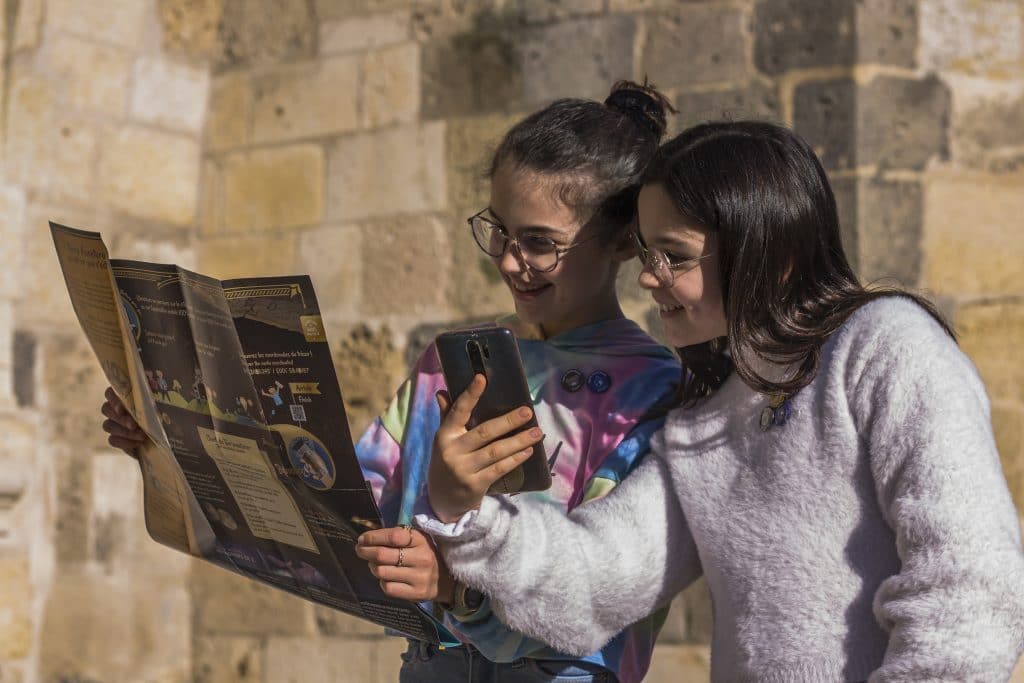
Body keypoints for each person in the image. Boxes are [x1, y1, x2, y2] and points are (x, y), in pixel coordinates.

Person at [386, 121, 1024, 681]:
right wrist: (469, 517)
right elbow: (597, 580)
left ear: (767, 254)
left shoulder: (886, 346)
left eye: (675, 256)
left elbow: (970, 591)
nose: (646, 276)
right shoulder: (707, 411)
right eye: (645, 251)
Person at [103, 81, 684, 683]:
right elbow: (346, 508)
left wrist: (458, 590)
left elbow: (603, 588)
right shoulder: (445, 364)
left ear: (622, 240)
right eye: (499, 231)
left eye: (540, 242)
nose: (510, 261)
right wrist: (172, 440)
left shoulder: (650, 393)